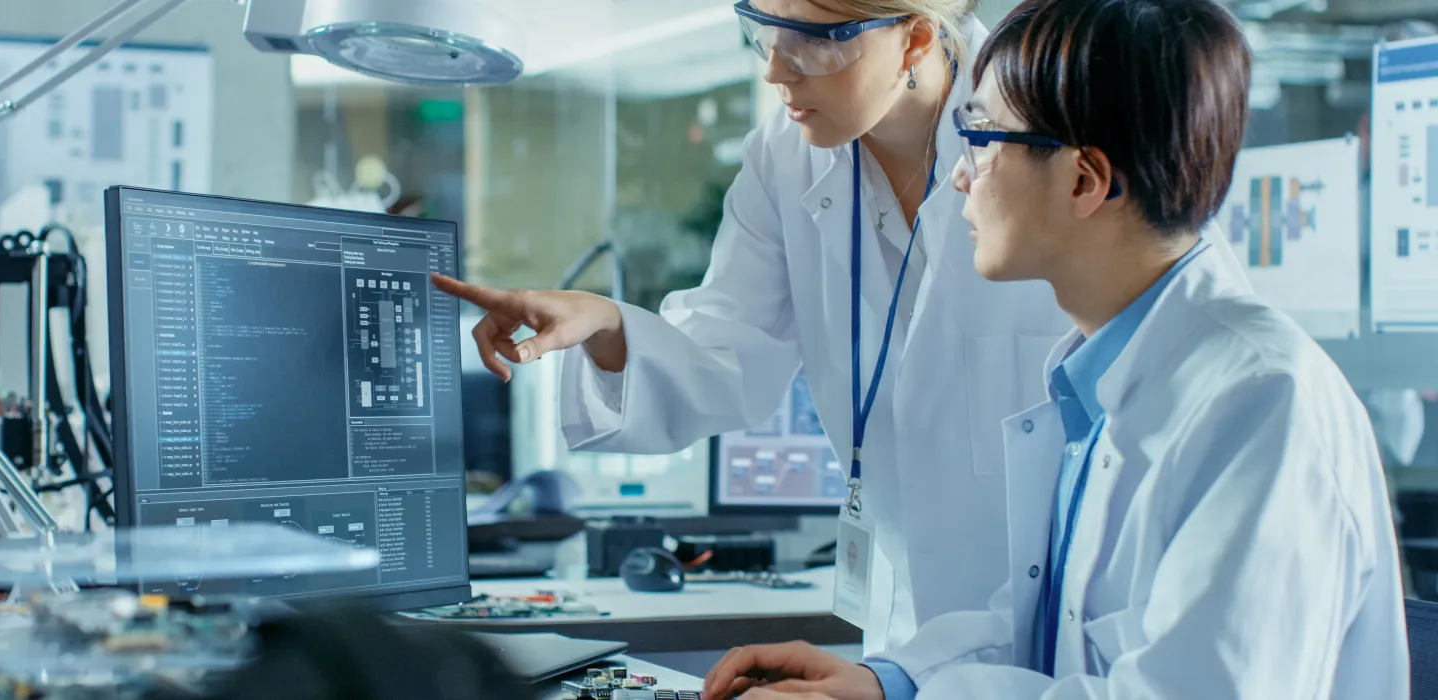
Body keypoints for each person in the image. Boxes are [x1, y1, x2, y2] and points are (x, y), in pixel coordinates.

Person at [701, 0, 1410, 697]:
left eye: (981, 139)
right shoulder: (1102, 377)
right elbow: (1050, 620)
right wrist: (890, 682)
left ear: (1083, 178)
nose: (958, 175)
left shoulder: (1259, 404)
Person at [434, 0, 1072, 652]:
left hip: (1067, 619)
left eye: (810, 43)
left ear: (913, 40)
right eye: (760, 31)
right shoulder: (784, 155)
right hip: (909, 625)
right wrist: (605, 325)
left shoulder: (1055, 123)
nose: (774, 70)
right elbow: (729, 351)